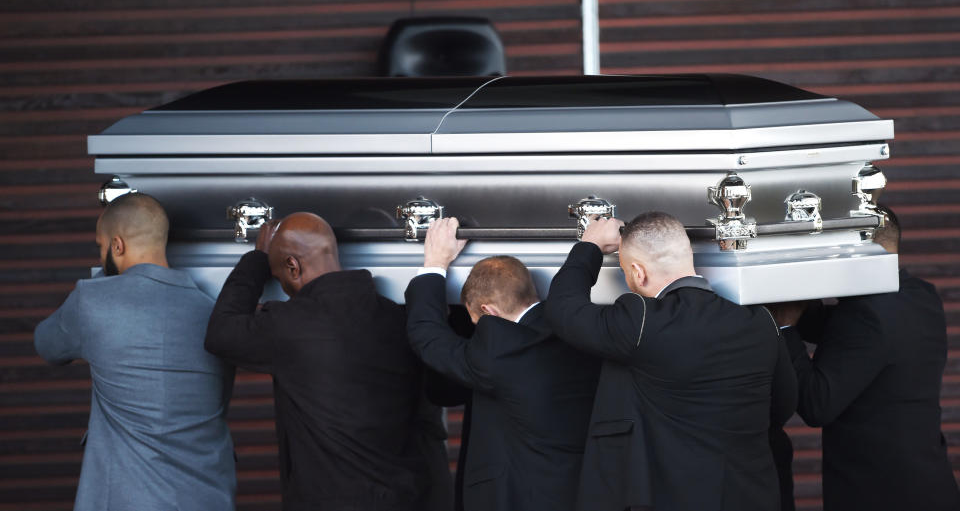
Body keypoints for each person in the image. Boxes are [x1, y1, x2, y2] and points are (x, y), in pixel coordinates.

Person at [545, 211, 797, 511]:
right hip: (748, 494)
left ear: (638, 273)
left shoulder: (641, 323)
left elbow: (564, 310)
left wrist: (590, 246)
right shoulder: (760, 323)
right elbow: (783, 404)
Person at [204, 212, 432, 511]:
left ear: (292, 266)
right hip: (405, 498)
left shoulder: (290, 325)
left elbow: (221, 333)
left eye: (279, 277)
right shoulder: (395, 317)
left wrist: (258, 259)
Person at [33, 192, 236, 511]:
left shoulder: (93, 302)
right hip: (208, 499)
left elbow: (45, 344)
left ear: (117, 246)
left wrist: (107, 278)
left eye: (101, 248)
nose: (101, 257)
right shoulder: (214, 314)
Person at [770, 205, 960, 511]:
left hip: (883, 495)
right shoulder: (921, 295)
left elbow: (817, 404)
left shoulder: (865, 315)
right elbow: (850, 336)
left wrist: (785, 326)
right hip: (927, 484)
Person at [405, 218, 601, 511]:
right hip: (581, 489)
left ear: (489, 311)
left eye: (475, 322)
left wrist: (435, 263)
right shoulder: (578, 327)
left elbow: (427, 335)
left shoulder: (498, 356)